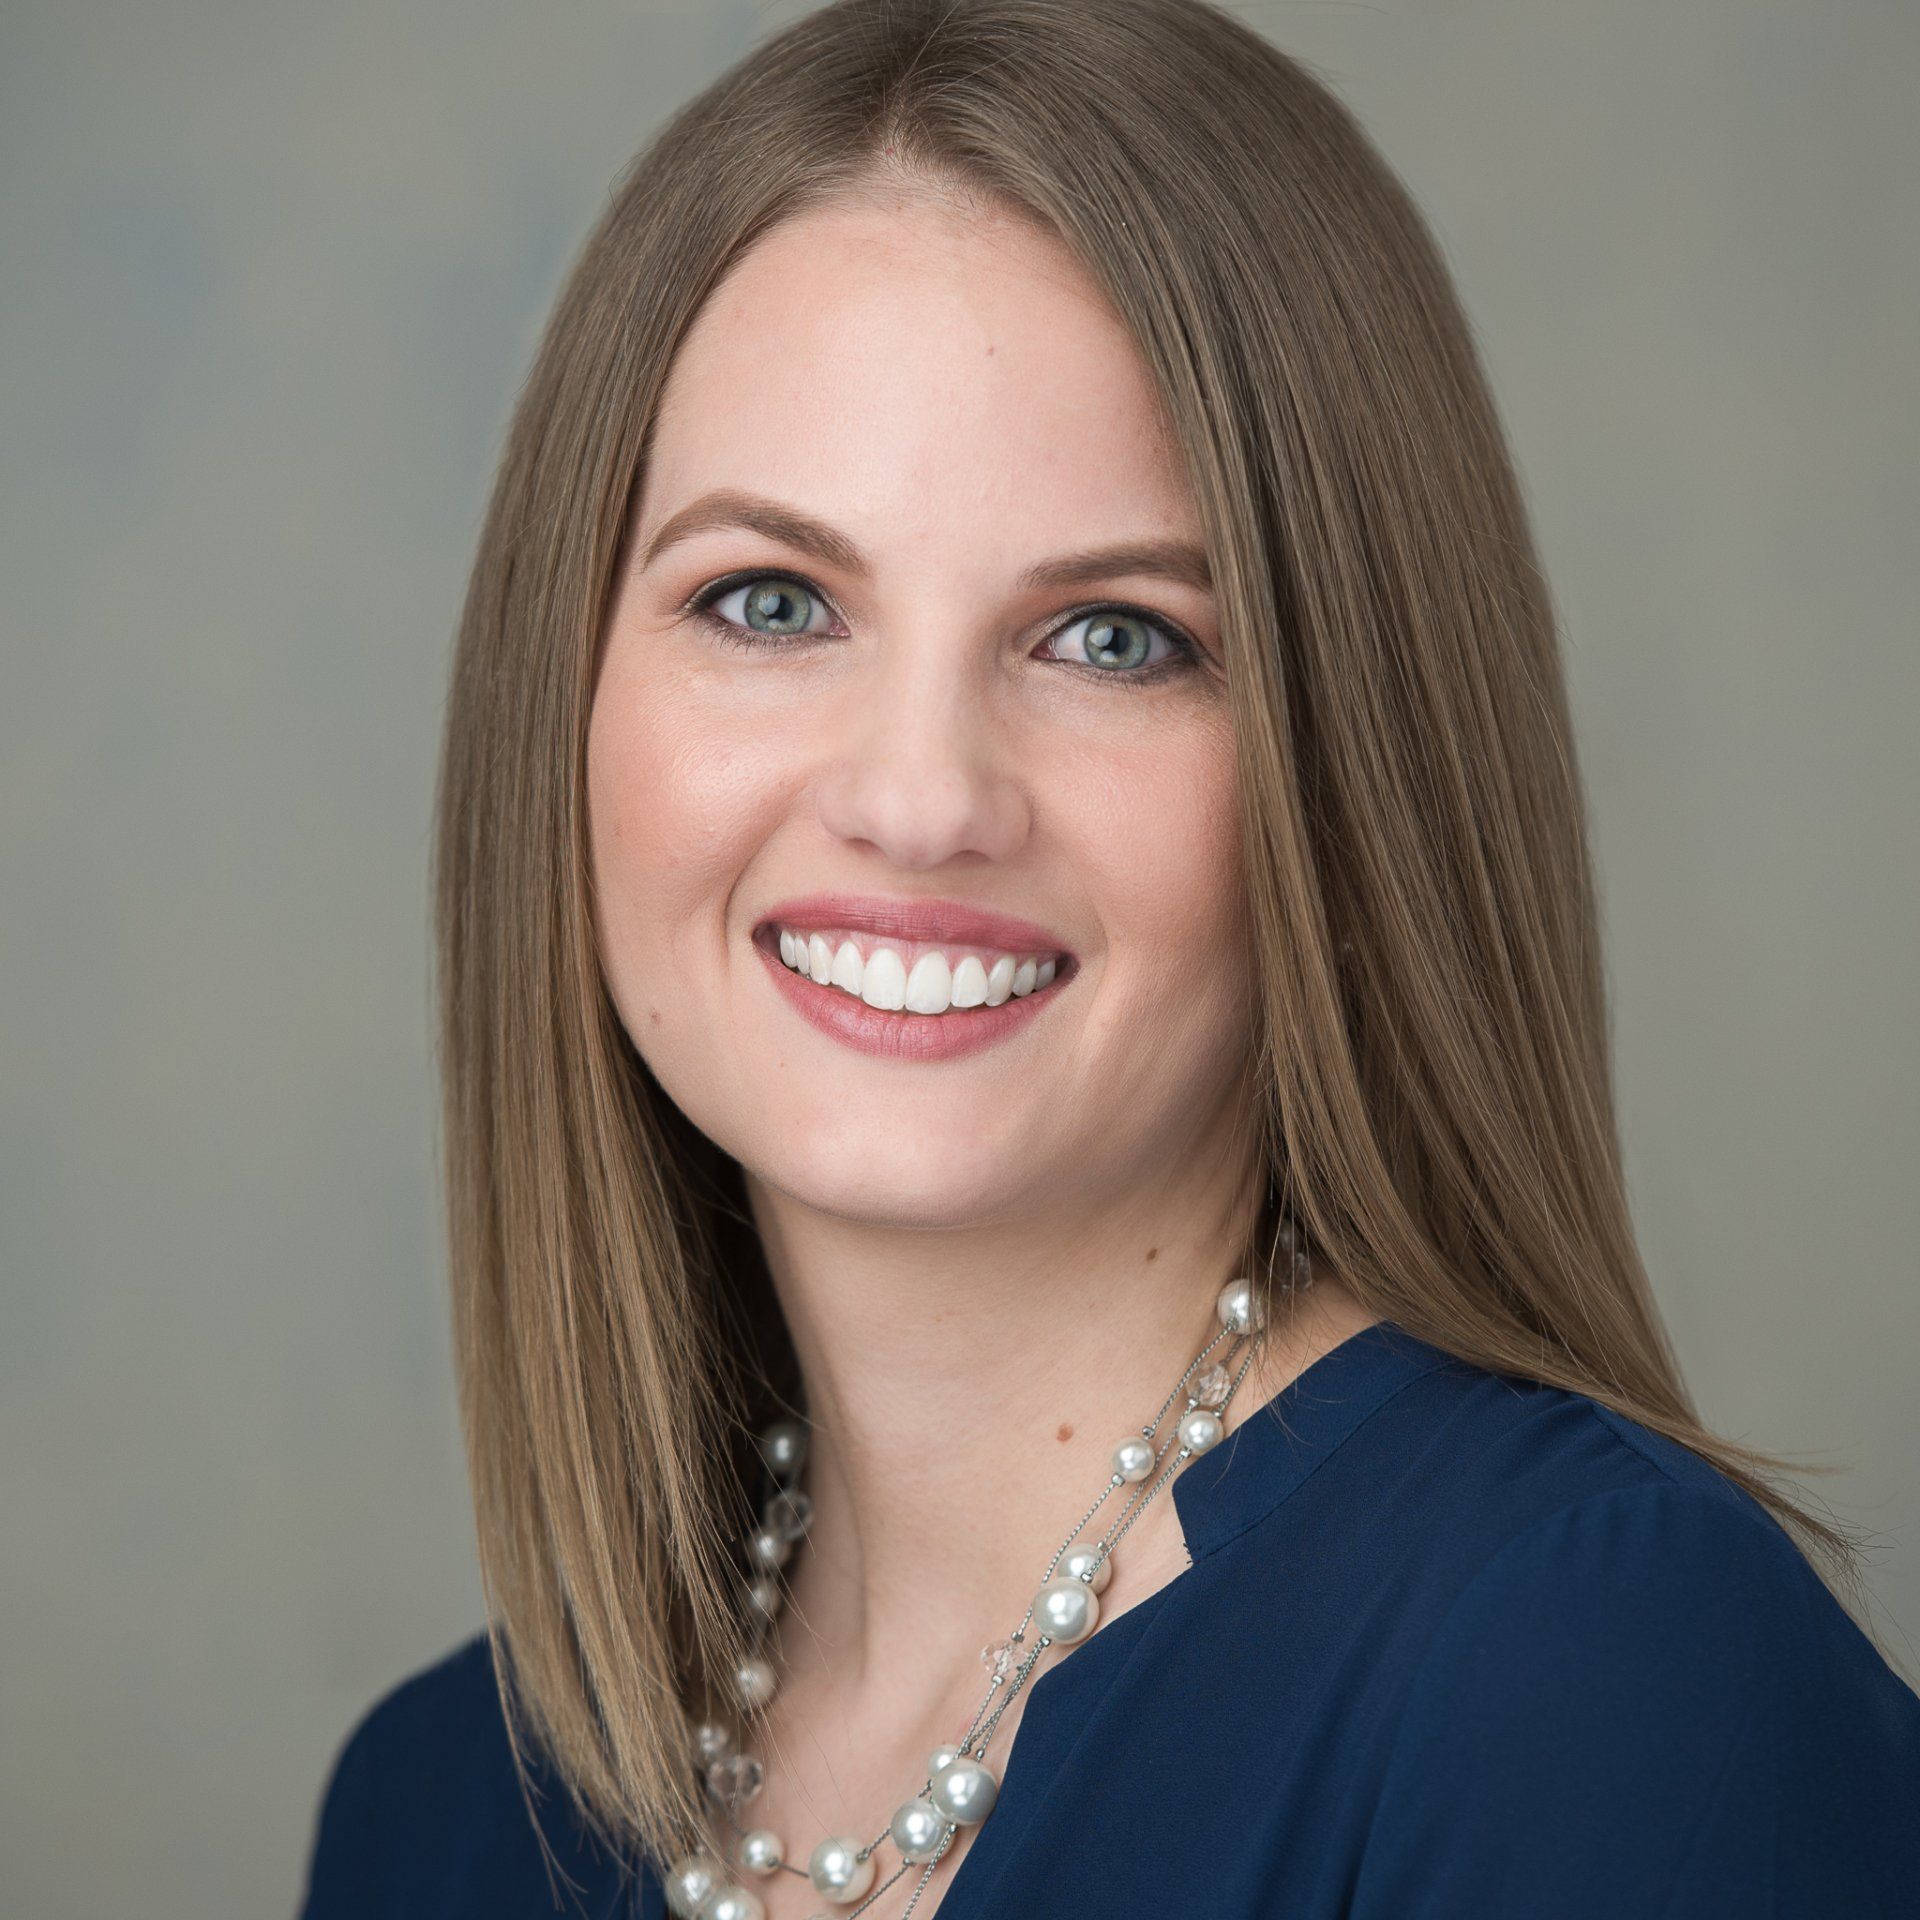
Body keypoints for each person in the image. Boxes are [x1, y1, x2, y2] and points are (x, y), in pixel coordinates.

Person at [297, 1, 1920, 1914]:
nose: (919, 799)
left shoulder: (1601, 1689)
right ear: (558, 703)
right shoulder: (440, 1812)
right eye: (771, 601)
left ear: (1350, 768)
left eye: (1116, 638)